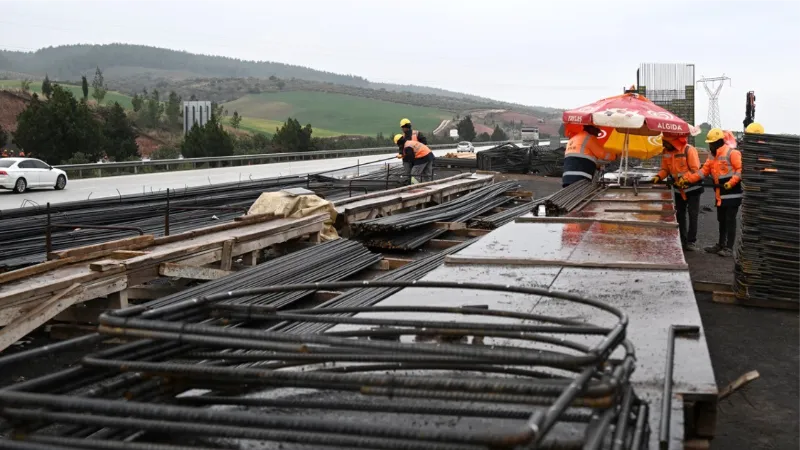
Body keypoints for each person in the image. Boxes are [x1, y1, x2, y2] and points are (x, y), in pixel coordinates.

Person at [679, 128, 743, 257]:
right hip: (720, 194)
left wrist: (731, 182)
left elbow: (740, 170)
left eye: (712, 143)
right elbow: (702, 172)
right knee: (721, 220)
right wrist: (687, 180)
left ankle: (729, 248)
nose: (710, 145)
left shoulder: (732, 153)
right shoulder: (712, 157)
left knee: (730, 220)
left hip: (732, 193)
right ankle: (720, 244)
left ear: (719, 142)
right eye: (709, 143)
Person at [651, 136, 703, 251]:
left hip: (692, 188)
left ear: (672, 141)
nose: (664, 145)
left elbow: (695, 169)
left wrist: (684, 179)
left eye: (665, 142)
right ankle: (682, 240)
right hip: (678, 189)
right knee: (680, 214)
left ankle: (691, 241)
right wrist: (659, 176)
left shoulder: (689, 149)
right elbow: (665, 169)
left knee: (692, 215)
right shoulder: (666, 152)